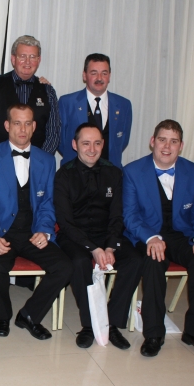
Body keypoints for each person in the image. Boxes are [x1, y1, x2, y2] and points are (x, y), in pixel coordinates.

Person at [123, 119, 194, 358]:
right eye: (162, 140)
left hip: (181, 235)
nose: (167, 146)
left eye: (173, 141)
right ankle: (154, 334)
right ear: (152, 142)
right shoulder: (132, 171)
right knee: (153, 261)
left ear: (181, 146)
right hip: (147, 234)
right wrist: (150, 238)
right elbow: (130, 216)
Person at [0, 103, 72, 340]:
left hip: (32, 232)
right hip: (2, 232)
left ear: (34, 126)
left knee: (64, 267)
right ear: (7, 125)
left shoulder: (47, 160)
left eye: (27, 123)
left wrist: (44, 231)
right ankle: (3, 314)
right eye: (17, 123)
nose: (22, 129)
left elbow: (48, 203)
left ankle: (29, 315)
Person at [54, 123, 142, 349]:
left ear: (103, 145)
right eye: (86, 143)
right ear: (75, 145)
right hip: (75, 236)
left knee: (134, 260)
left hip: (107, 234)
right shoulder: (63, 175)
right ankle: (89, 324)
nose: (92, 149)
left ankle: (111, 323)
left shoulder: (115, 173)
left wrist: (110, 246)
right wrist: (93, 248)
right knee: (79, 262)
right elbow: (65, 222)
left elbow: (117, 216)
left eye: (97, 143)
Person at [0, 35, 60, 155]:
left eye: (32, 57)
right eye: (22, 56)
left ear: (39, 60)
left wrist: (41, 160)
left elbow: (54, 132)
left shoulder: (48, 91)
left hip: (36, 162)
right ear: (13, 59)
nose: (27, 62)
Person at [58, 53, 132, 168]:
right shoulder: (67, 102)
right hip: (74, 173)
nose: (99, 78)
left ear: (109, 76)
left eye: (104, 73)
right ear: (84, 75)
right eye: (94, 73)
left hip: (110, 172)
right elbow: (61, 142)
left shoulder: (123, 105)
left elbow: (123, 141)